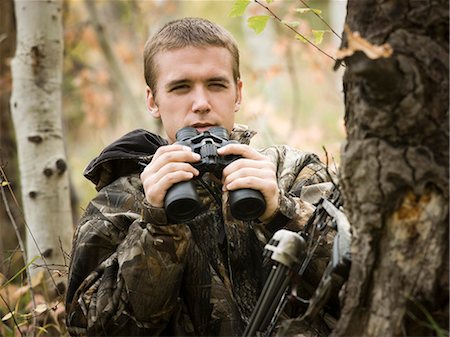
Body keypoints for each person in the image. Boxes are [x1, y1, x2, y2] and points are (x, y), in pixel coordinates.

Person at [65, 17, 336, 337]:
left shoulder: (293, 171)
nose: (201, 104)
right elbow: (91, 329)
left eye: (216, 85)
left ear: (237, 93)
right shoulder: (120, 199)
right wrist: (157, 225)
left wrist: (281, 211)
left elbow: (365, 279)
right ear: (153, 101)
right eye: (181, 87)